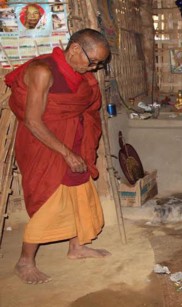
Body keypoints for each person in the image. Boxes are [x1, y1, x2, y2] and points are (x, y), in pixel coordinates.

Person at [5, 28, 111, 284]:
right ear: (74, 49)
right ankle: (25, 261)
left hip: (74, 140)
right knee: (50, 202)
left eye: (99, 63)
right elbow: (32, 121)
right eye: (92, 61)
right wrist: (65, 153)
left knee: (79, 195)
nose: (94, 68)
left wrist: (76, 148)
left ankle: (77, 247)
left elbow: (84, 105)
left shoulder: (80, 75)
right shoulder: (42, 71)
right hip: (46, 145)